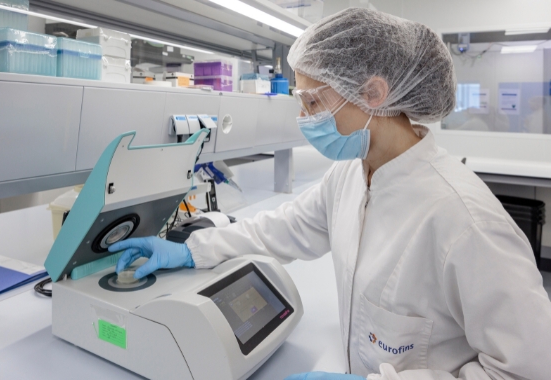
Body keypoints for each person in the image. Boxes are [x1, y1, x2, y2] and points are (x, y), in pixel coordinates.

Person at [109, 8, 551, 380]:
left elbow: (528, 370)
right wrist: (191, 250)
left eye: (314, 102)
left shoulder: (466, 221)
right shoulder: (352, 175)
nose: (304, 118)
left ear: (373, 93)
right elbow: (283, 228)